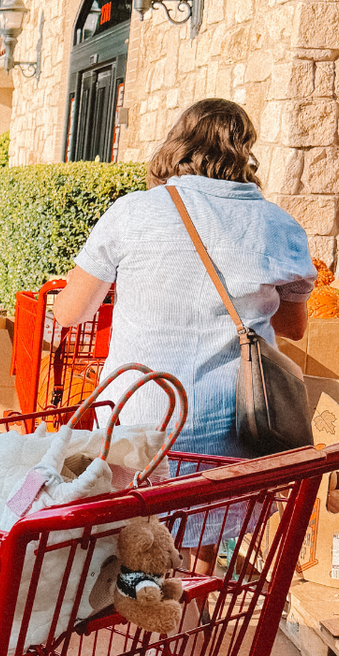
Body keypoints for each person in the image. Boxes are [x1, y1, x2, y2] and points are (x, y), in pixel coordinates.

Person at [49, 99, 314, 459]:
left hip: (137, 423)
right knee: (220, 516)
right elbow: (292, 326)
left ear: (177, 144)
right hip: (234, 428)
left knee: (136, 515)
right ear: (244, 151)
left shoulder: (133, 211)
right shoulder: (280, 226)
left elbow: (70, 313)